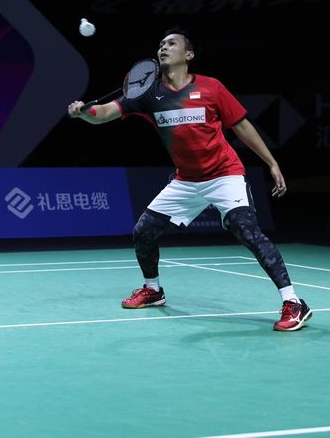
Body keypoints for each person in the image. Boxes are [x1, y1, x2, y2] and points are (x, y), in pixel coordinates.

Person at [67, 28, 312, 331]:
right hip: (187, 180)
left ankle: (294, 302)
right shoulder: (148, 94)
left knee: (246, 231)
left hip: (224, 175)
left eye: (171, 43)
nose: (163, 47)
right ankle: (153, 290)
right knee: (143, 231)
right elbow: (103, 113)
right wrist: (84, 112)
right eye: (160, 44)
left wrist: (271, 162)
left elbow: (242, 125)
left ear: (189, 55)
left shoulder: (212, 88)